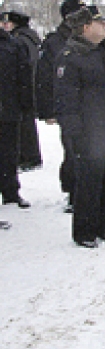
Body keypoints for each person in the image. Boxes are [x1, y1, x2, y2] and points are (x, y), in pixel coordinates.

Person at [54, 6, 105, 248]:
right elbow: (66, 102)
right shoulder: (71, 56)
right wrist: (74, 133)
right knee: (89, 183)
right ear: (86, 27)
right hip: (89, 132)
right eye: (100, 23)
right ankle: (85, 231)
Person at [37, 0, 86, 211]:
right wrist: (47, 110)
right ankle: (73, 193)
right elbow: (44, 78)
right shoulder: (54, 42)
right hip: (66, 106)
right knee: (73, 150)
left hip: (87, 105)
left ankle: (81, 191)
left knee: (85, 150)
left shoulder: (87, 40)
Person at [1, 10, 43, 172]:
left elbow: (27, 65)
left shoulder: (19, 41)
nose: (5, 26)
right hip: (24, 89)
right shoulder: (29, 37)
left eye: (8, 23)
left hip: (21, 89)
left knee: (24, 127)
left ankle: (28, 157)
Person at [0, 14, 33, 209]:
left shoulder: (12, 44)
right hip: (8, 106)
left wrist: (26, 104)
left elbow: (24, 76)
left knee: (9, 153)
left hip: (8, 108)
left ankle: (10, 191)